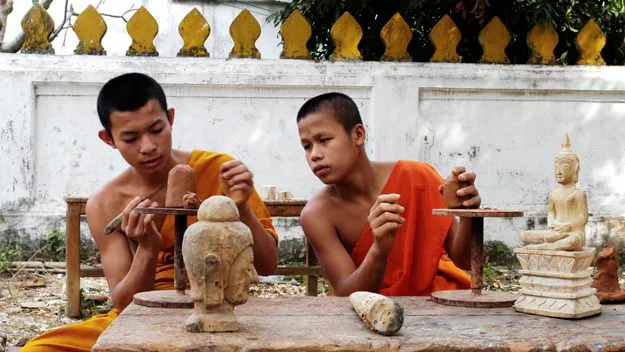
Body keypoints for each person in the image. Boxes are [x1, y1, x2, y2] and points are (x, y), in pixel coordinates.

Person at [22, 73, 278, 351]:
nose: (148, 147)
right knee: (42, 348)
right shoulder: (106, 203)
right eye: (131, 138)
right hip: (142, 317)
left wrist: (240, 209)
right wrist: (147, 248)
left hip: (219, 312)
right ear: (108, 139)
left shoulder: (220, 171)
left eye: (156, 129)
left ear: (170, 118)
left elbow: (267, 265)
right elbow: (123, 303)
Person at [297, 92, 477, 296]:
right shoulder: (317, 215)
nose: (314, 155)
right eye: (307, 146)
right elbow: (347, 293)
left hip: (435, 304)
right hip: (371, 315)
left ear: (358, 135)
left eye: (324, 140)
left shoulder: (418, 178)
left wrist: (468, 213)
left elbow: (464, 260)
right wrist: (379, 249)